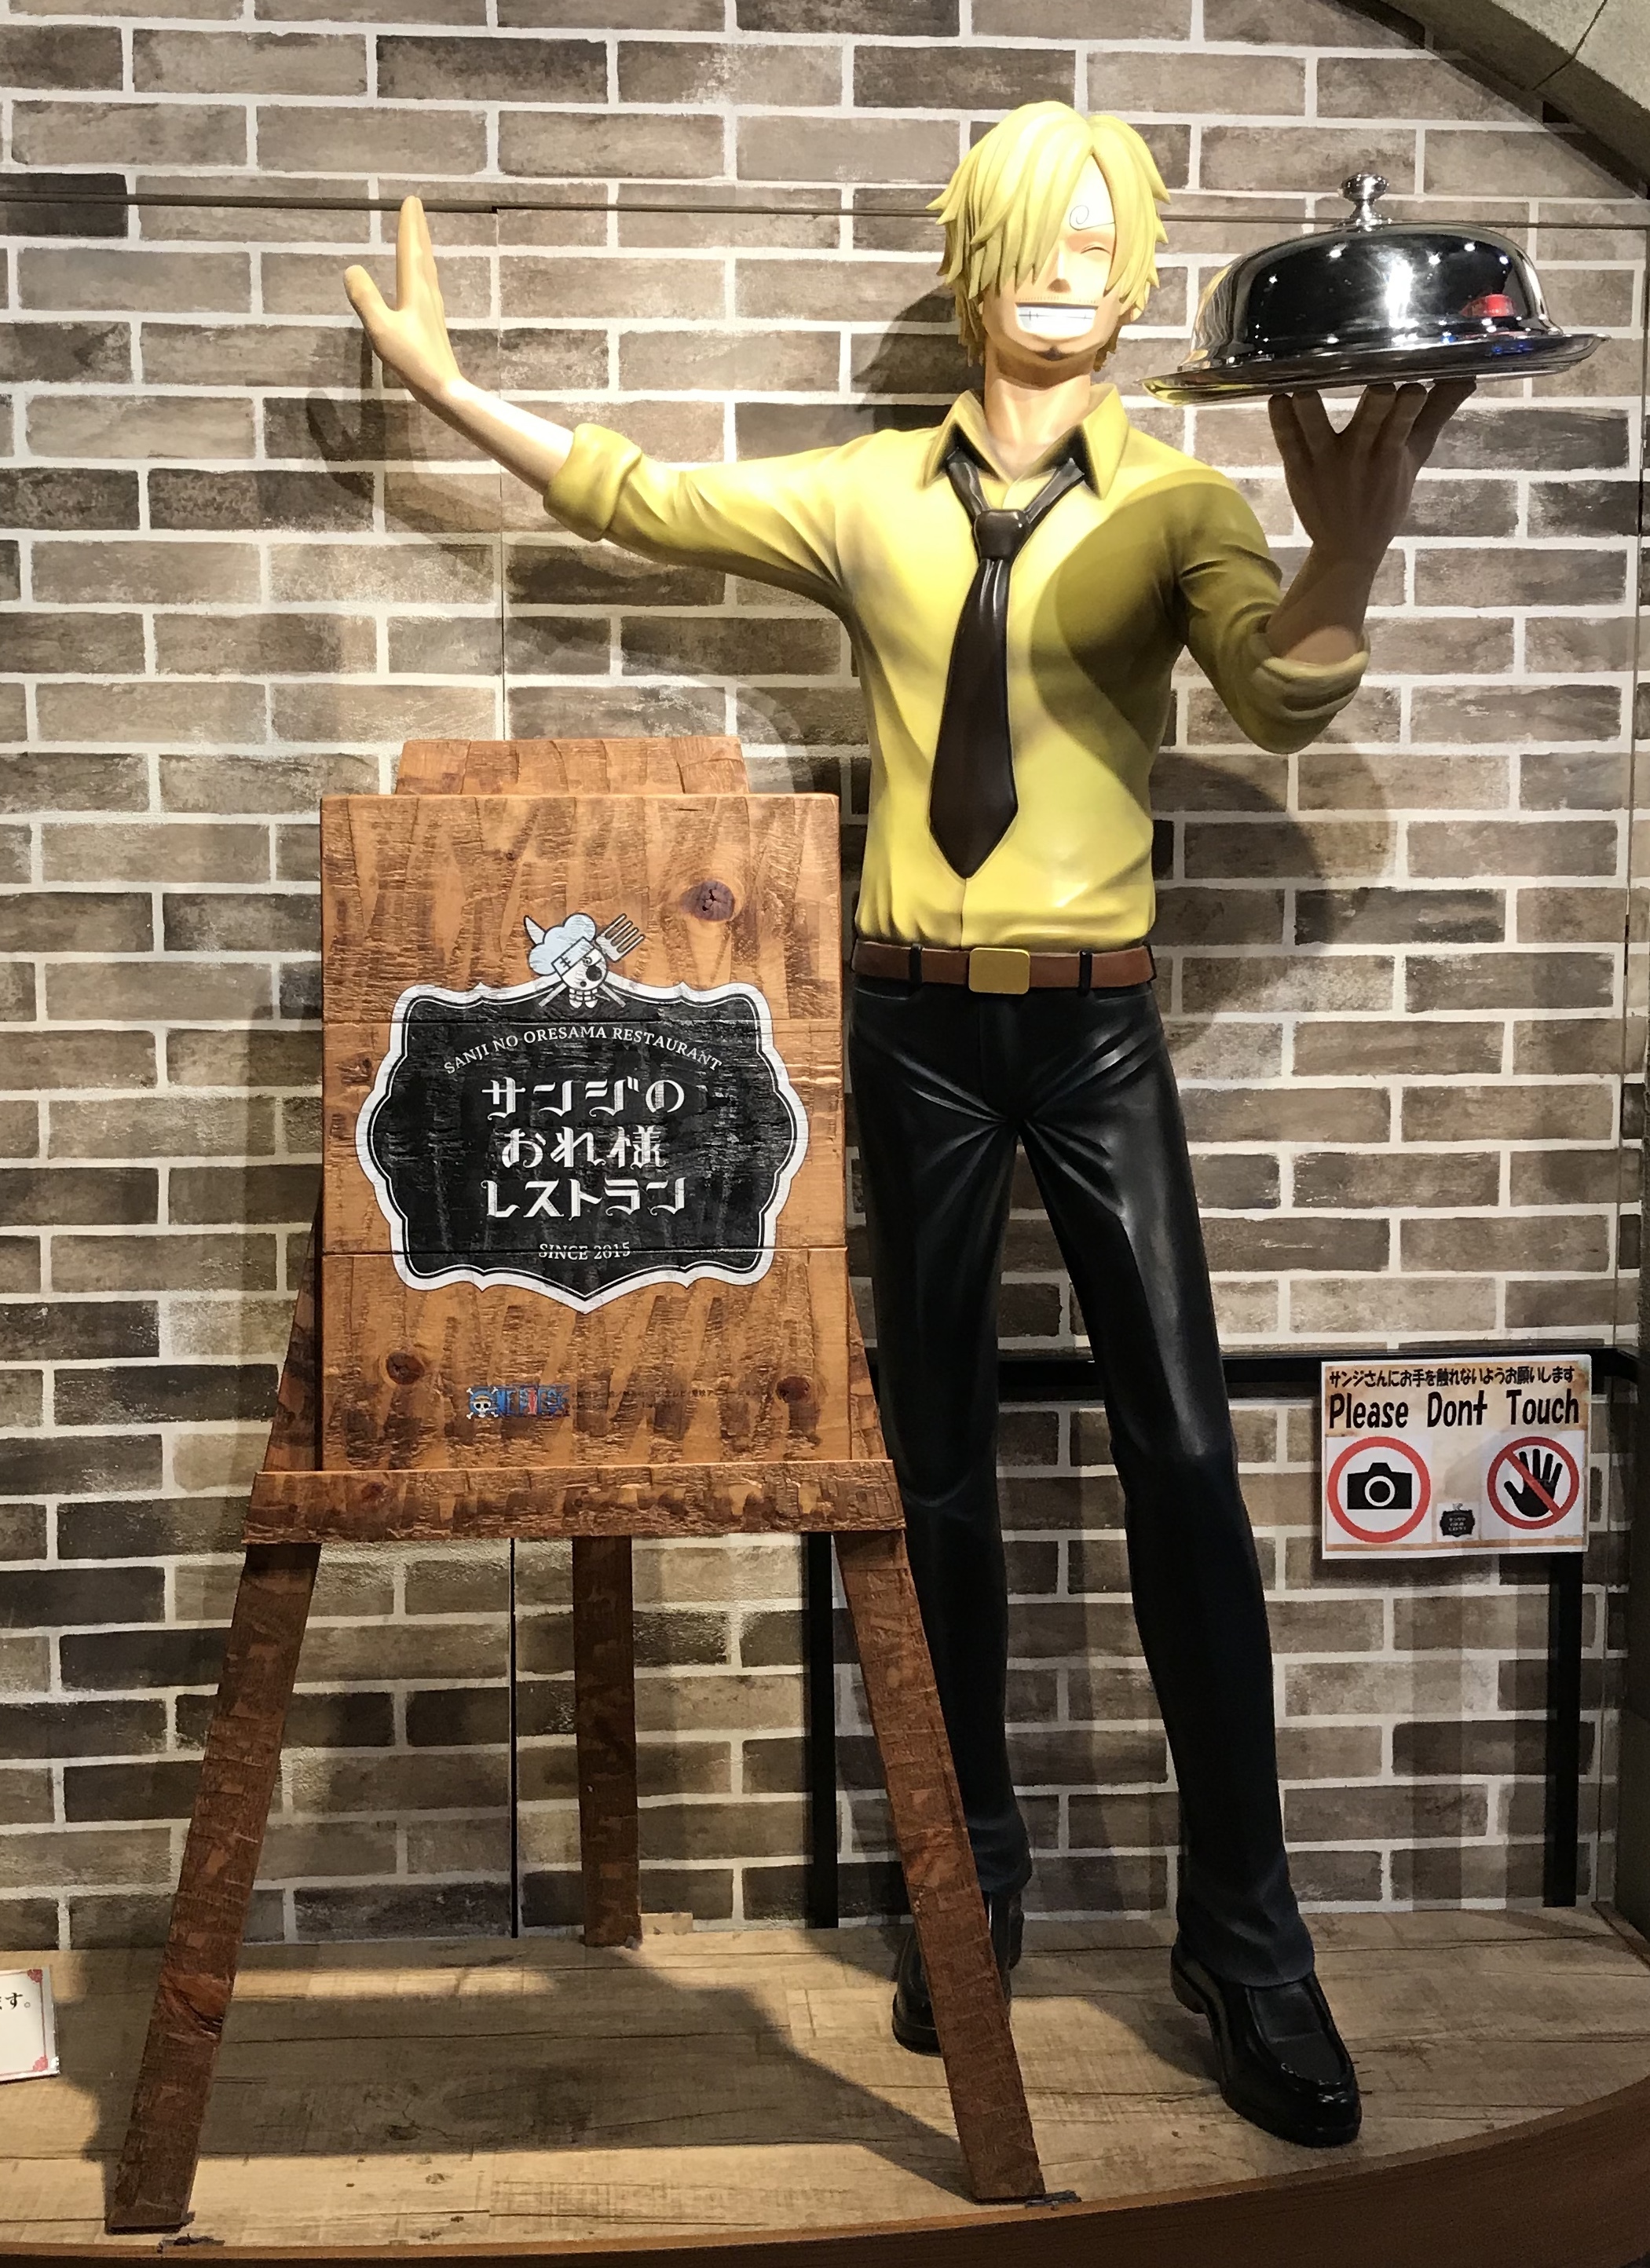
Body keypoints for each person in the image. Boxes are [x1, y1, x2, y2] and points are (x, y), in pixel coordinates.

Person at [345, 100, 1472, 2150]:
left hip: (1099, 1030)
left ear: (1139, 274)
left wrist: (1354, 544)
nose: (1063, 272)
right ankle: (975, 1883)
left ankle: (1248, 1936)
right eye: (1031, 235)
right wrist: (449, 393)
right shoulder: (871, 495)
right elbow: (645, 500)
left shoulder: (1181, 504)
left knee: (1185, 1459)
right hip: (916, 1033)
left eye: (1099, 241)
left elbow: (1283, 697)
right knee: (931, 1470)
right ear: (973, 259)